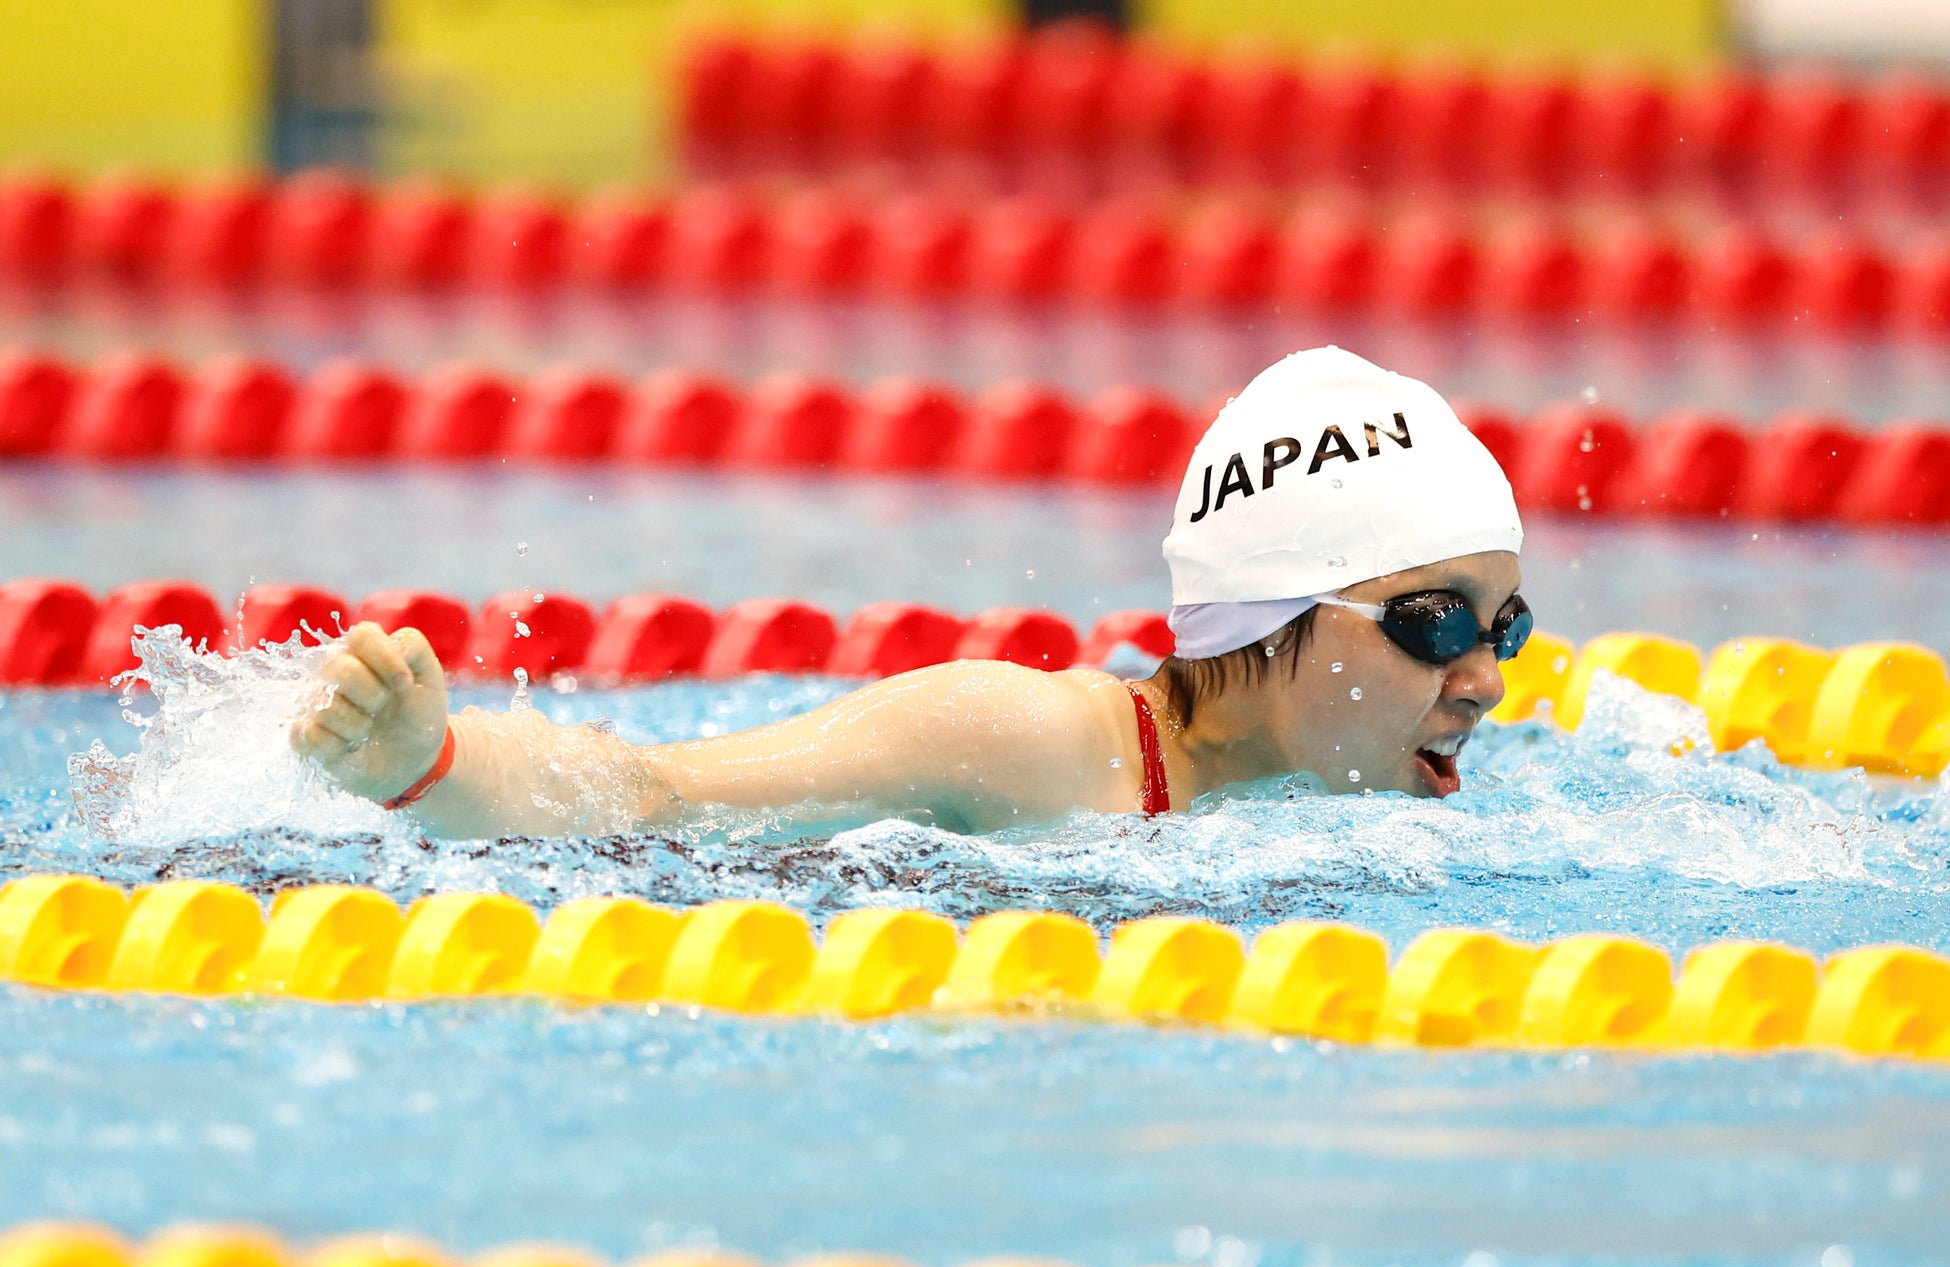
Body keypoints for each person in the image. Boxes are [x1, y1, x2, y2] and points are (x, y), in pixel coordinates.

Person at [291, 347, 1529, 838]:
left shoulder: (1408, 821)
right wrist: (428, 762)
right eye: (1440, 621)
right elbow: (661, 791)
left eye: (1506, 623)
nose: (1484, 677)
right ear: (1272, 612)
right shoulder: (1028, 741)